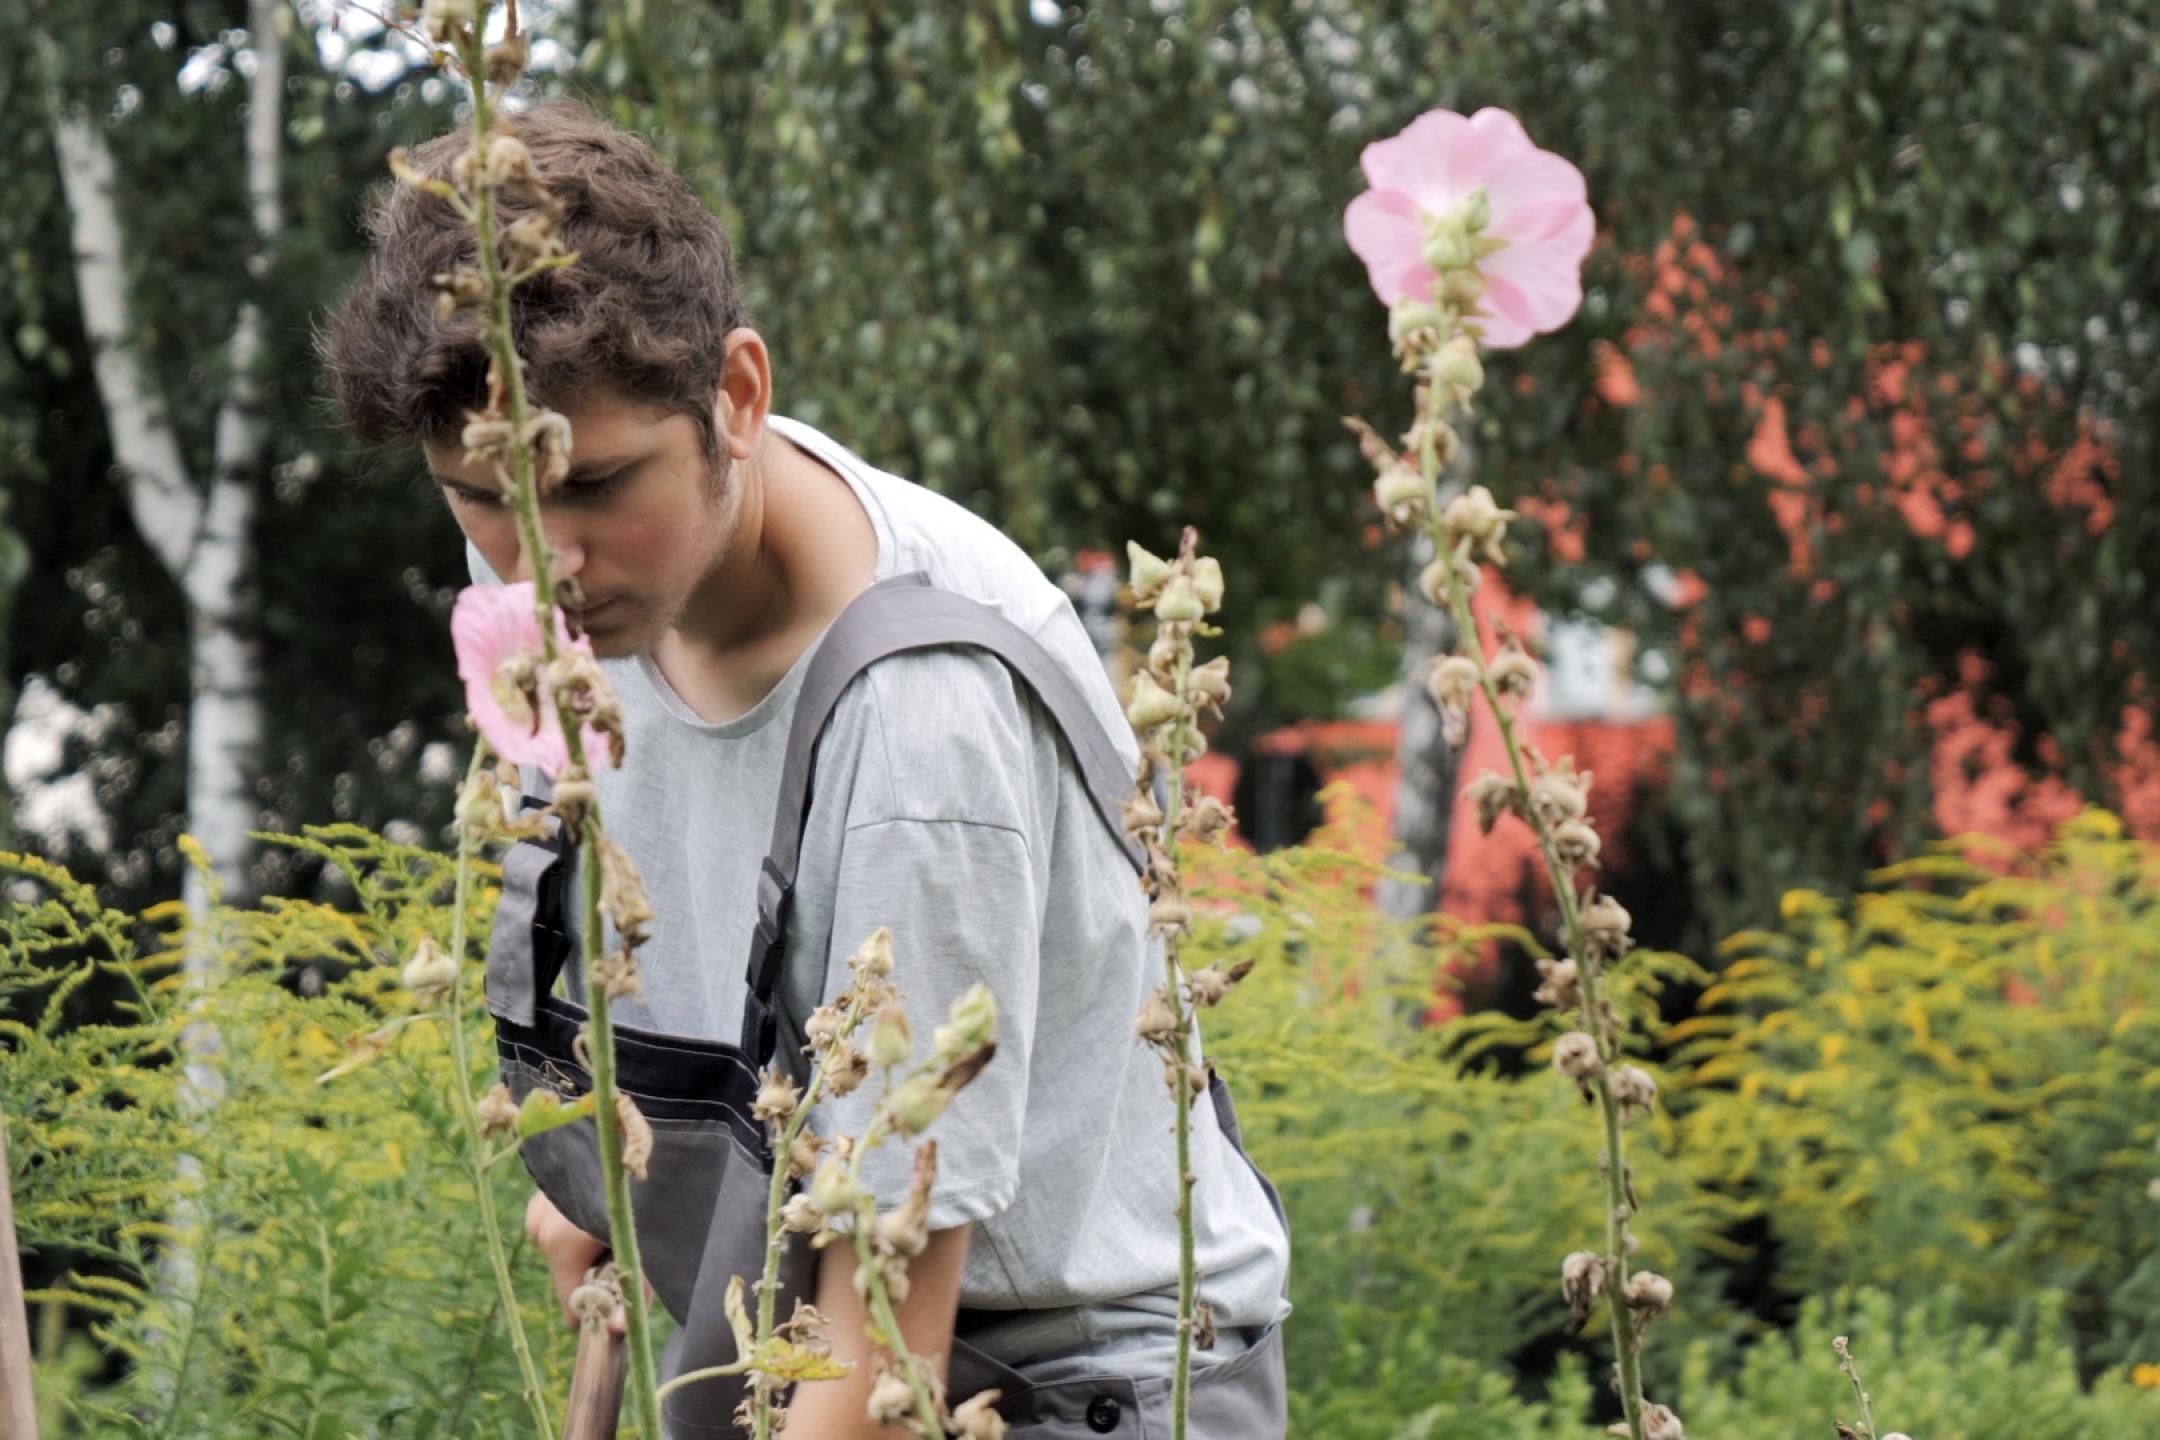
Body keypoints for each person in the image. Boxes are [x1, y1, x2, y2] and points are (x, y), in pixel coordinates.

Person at [323, 98, 1288, 1437]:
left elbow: (890, 1335)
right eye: (483, 499)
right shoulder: (593, 589)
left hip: (1046, 1381)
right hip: (779, 1304)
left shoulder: (918, 724)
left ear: (738, 394)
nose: (546, 559)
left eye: (595, 485)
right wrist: (597, 1188)